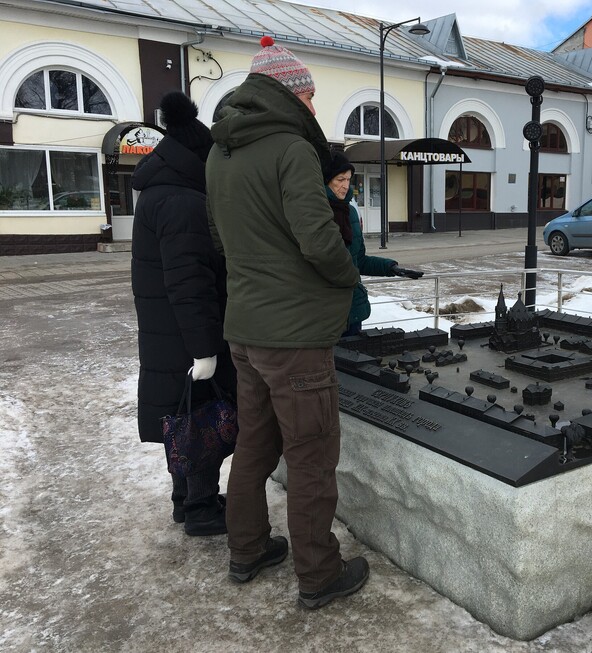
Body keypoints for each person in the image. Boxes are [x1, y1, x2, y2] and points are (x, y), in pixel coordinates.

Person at [206, 36, 368, 608]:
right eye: (311, 96)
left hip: (245, 329)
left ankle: (246, 550)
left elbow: (221, 241)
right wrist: (349, 276)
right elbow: (319, 238)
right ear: (292, 94)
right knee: (312, 456)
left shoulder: (219, 151)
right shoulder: (291, 150)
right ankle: (320, 575)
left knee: (254, 445)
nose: (314, 108)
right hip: (294, 338)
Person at [131, 91, 235, 537]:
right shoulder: (183, 202)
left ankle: (186, 499)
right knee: (200, 418)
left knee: (181, 415)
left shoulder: (159, 192)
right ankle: (200, 508)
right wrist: (204, 349)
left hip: (166, 332)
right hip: (185, 335)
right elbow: (189, 281)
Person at [323, 152, 424, 337]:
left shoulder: (351, 213)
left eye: (348, 179)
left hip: (353, 311)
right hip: (325, 315)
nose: (346, 185)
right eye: (340, 179)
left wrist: (391, 268)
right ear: (327, 180)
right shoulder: (314, 213)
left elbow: (358, 261)